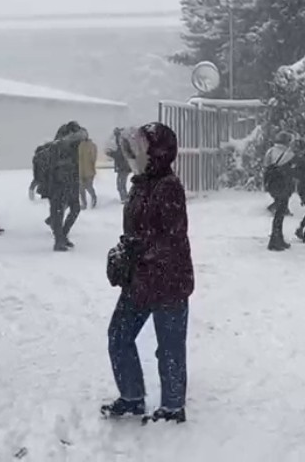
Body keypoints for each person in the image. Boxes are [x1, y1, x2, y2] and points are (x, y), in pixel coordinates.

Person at [102, 122, 193, 423]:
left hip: (169, 280)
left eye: (140, 149)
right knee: (118, 335)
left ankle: (172, 406)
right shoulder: (140, 184)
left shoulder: (168, 187)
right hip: (139, 279)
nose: (133, 155)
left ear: (157, 153)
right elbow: (137, 231)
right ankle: (131, 397)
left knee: (168, 348)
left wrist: (134, 251)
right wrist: (123, 251)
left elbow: (170, 237)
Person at [35, 122, 88, 251]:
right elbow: (51, 167)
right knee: (58, 212)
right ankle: (59, 240)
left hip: (71, 181)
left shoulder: (72, 146)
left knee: (74, 209)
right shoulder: (57, 146)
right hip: (58, 183)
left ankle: (62, 235)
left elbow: (83, 136)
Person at [263, 131, 295, 251]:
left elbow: (266, 167)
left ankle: (278, 238)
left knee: (279, 211)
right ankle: (275, 240)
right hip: (284, 185)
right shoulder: (289, 154)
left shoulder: (270, 152)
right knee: (280, 213)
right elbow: (292, 171)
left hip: (273, 185)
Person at [108, 127, 132, 202]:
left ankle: (124, 198)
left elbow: (119, 155)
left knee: (120, 184)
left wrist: (111, 153)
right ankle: (125, 197)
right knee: (121, 184)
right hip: (124, 167)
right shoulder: (124, 143)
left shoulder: (121, 143)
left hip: (123, 167)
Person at [79, 130, 99, 209]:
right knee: (81, 188)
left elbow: (93, 157)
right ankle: (84, 204)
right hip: (79, 171)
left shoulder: (91, 145)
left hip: (89, 170)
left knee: (88, 186)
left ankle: (94, 198)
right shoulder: (77, 146)